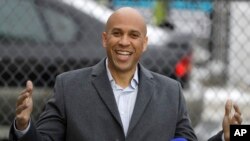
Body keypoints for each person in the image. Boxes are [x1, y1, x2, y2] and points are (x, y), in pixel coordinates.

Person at [9, 7, 242, 141]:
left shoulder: (171, 92)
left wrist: (228, 136)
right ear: (104, 39)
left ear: (144, 43)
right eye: (117, 33)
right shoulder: (69, 87)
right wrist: (23, 125)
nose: (124, 42)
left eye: (133, 35)